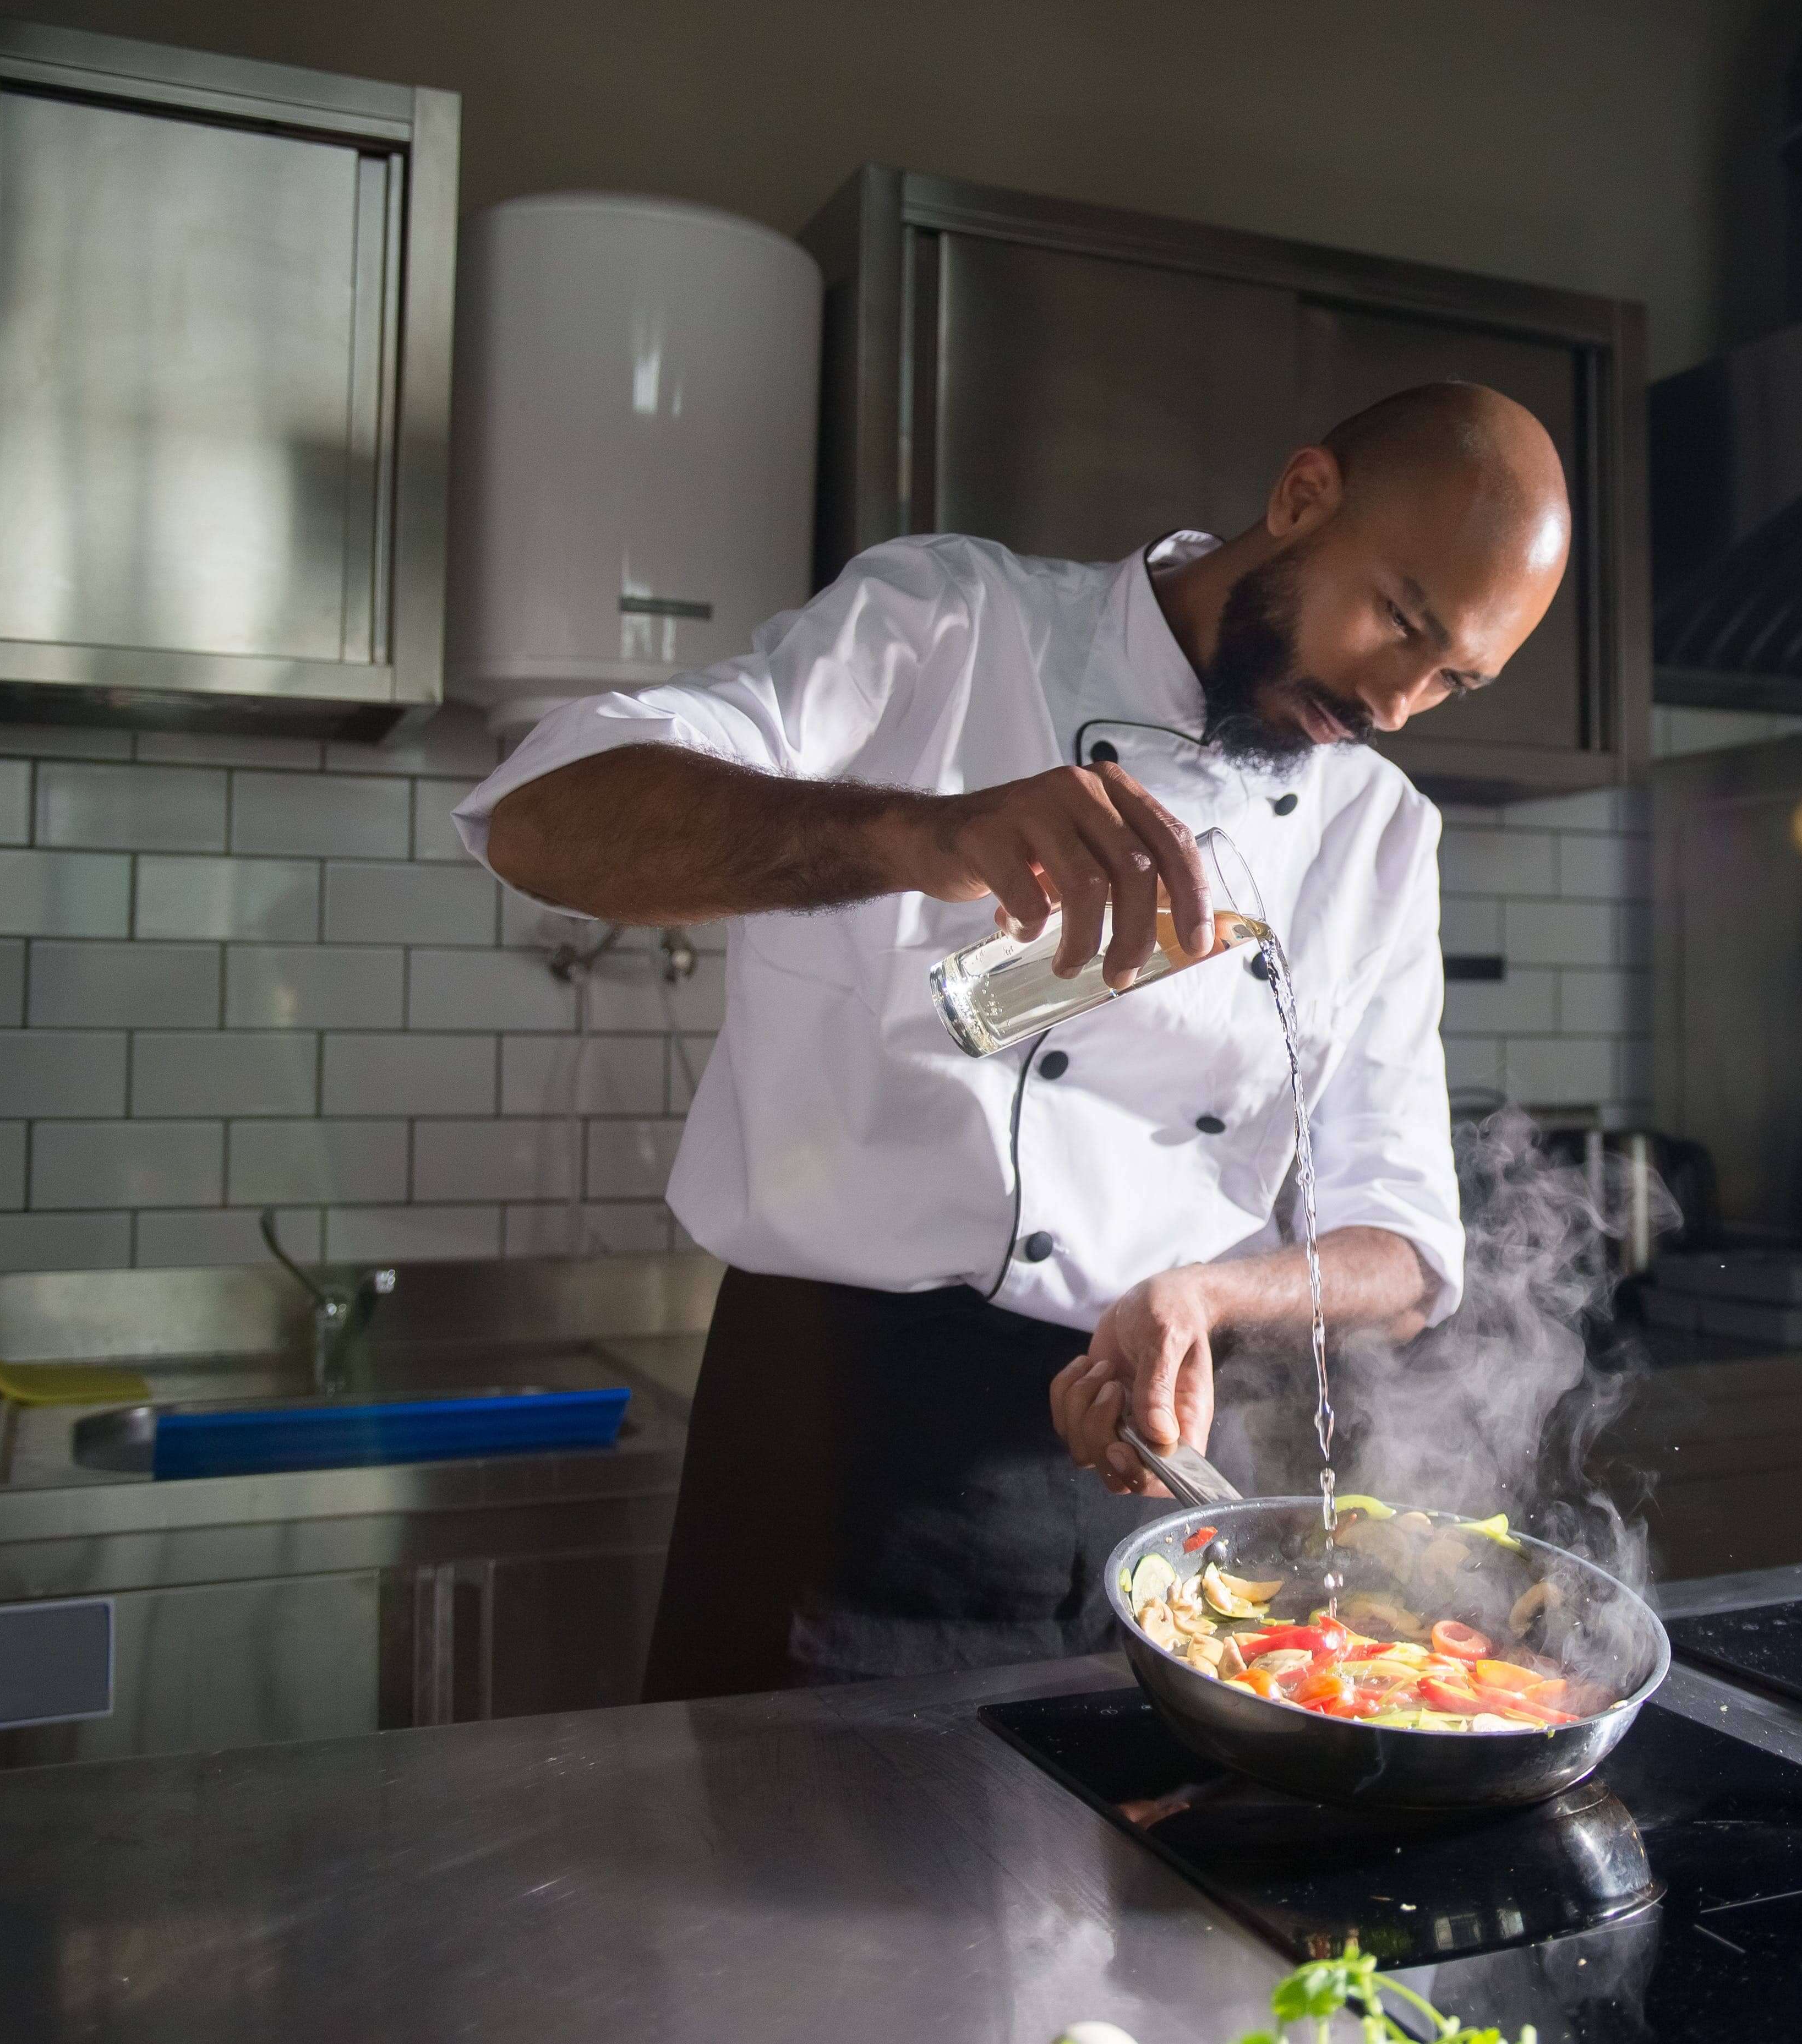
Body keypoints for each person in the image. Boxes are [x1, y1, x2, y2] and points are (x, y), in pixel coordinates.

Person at [456, 381, 1570, 1695]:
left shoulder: (1376, 834)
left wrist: (1209, 1294)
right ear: (1301, 497)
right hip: (829, 1441)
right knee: (762, 1884)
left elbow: (1403, 1242)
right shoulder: (951, 626)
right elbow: (541, 819)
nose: (1398, 701)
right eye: (1400, 620)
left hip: (1137, 1475)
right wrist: (919, 833)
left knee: (1099, 1893)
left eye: (1453, 676)